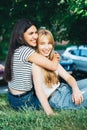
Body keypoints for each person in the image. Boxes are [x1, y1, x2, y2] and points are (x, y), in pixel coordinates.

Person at [3, 18, 60, 110]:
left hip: (13, 98)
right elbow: (53, 66)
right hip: (24, 101)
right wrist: (55, 58)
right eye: (31, 33)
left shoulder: (17, 50)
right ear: (20, 37)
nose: (35, 36)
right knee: (53, 99)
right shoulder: (26, 51)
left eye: (36, 32)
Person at [32, 29, 87, 116]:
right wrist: (50, 113)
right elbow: (39, 91)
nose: (47, 47)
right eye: (42, 44)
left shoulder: (51, 60)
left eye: (49, 43)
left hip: (65, 88)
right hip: (57, 99)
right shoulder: (36, 65)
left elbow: (68, 77)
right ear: (37, 46)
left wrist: (75, 89)